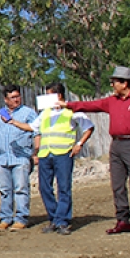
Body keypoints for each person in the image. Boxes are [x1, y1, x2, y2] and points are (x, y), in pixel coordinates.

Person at [64, 66, 130, 235]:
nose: (112, 85)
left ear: (125, 83)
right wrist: (69, 105)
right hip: (116, 145)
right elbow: (92, 105)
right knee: (117, 184)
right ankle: (123, 220)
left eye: (114, 82)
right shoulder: (112, 101)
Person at [32, 83, 95, 235]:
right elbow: (33, 127)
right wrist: (13, 122)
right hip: (46, 154)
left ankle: (62, 221)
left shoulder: (72, 111)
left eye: (49, 94)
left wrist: (79, 144)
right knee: (44, 188)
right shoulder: (45, 113)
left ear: (58, 96)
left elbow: (89, 127)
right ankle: (55, 218)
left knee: (64, 187)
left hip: (64, 153)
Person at [0, 85, 37, 232]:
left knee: (21, 188)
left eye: (18, 96)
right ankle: (5, 218)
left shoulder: (28, 113)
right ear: (5, 99)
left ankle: (21, 218)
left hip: (21, 157)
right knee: (5, 189)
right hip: (3, 158)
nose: (16, 99)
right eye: (13, 97)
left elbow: (36, 131)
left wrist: (36, 152)